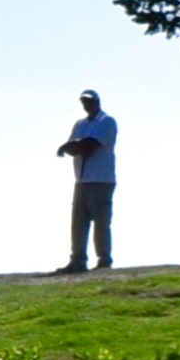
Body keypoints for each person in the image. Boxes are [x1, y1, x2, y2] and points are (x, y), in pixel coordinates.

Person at [54, 89, 120, 272]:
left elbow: (91, 146)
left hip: (101, 179)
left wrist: (73, 145)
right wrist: (73, 146)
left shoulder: (106, 121)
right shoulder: (80, 124)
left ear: (97, 102)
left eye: (89, 101)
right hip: (81, 180)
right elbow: (73, 148)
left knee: (101, 221)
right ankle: (77, 260)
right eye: (84, 102)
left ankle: (104, 260)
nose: (87, 105)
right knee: (79, 222)